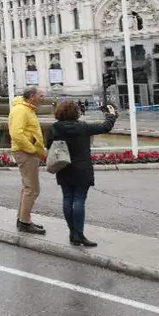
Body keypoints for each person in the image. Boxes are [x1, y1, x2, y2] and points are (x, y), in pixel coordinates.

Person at [46, 100, 117, 247]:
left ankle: (72, 232)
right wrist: (111, 115)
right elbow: (105, 127)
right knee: (79, 200)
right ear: (76, 112)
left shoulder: (55, 128)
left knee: (67, 199)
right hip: (82, 169)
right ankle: (79, 234)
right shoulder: (83, 127)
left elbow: (48, 145)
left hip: (63, 167)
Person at [9, 86, 47, 234]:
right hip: (26, 153)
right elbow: (16, 134)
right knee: (33, 189)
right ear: (32, 96)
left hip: (27, 152)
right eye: (41, 96)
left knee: (28, 188)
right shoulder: (21, 110)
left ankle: (22, 219)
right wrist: (32, 149)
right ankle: (25, 222)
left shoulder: (27, 109)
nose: (43, 98)